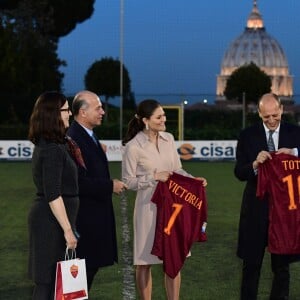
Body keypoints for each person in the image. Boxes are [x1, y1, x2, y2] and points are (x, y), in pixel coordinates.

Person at [121, 99, 207, 300]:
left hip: (174, 208)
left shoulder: (169, 138)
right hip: (147, 210)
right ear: (145, 120)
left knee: (174, 256)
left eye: (164, 115)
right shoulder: (133, 147)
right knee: (144, 262)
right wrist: (153, 177)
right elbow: (128, 182)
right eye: (159, 117)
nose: (164, 119)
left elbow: (177, 170)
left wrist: (192, 180)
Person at [234, 92, 300, 300]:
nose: (271, 121)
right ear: (259, 113)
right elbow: (239, 172)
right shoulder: (247, 135)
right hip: (255, 208)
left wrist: (295, 153)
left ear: (281, 109)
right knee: (251, 265)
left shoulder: (296, 133)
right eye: (266, 117)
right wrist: (254, 164)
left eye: (275, 115)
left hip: (285, 212)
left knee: (282, 268)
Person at [67, 90, 127, 291]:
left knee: (87, 272)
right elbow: (78, 182)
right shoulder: (73, 138)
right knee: (81, 274)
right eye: (98, 108)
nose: (103, 111)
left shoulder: (87, 135)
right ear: (82, 112)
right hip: (85, 218)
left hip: (93, 216)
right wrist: (110, 185)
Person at [28, 91, 79, 300]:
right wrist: (68, 230)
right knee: (47, 282)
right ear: (53, 114)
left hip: (53, 220)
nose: (70, 114)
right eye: (66, 110)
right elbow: (53, 194)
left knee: (53, 283)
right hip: (50, 223)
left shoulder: (55, 145)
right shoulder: (51, 149)